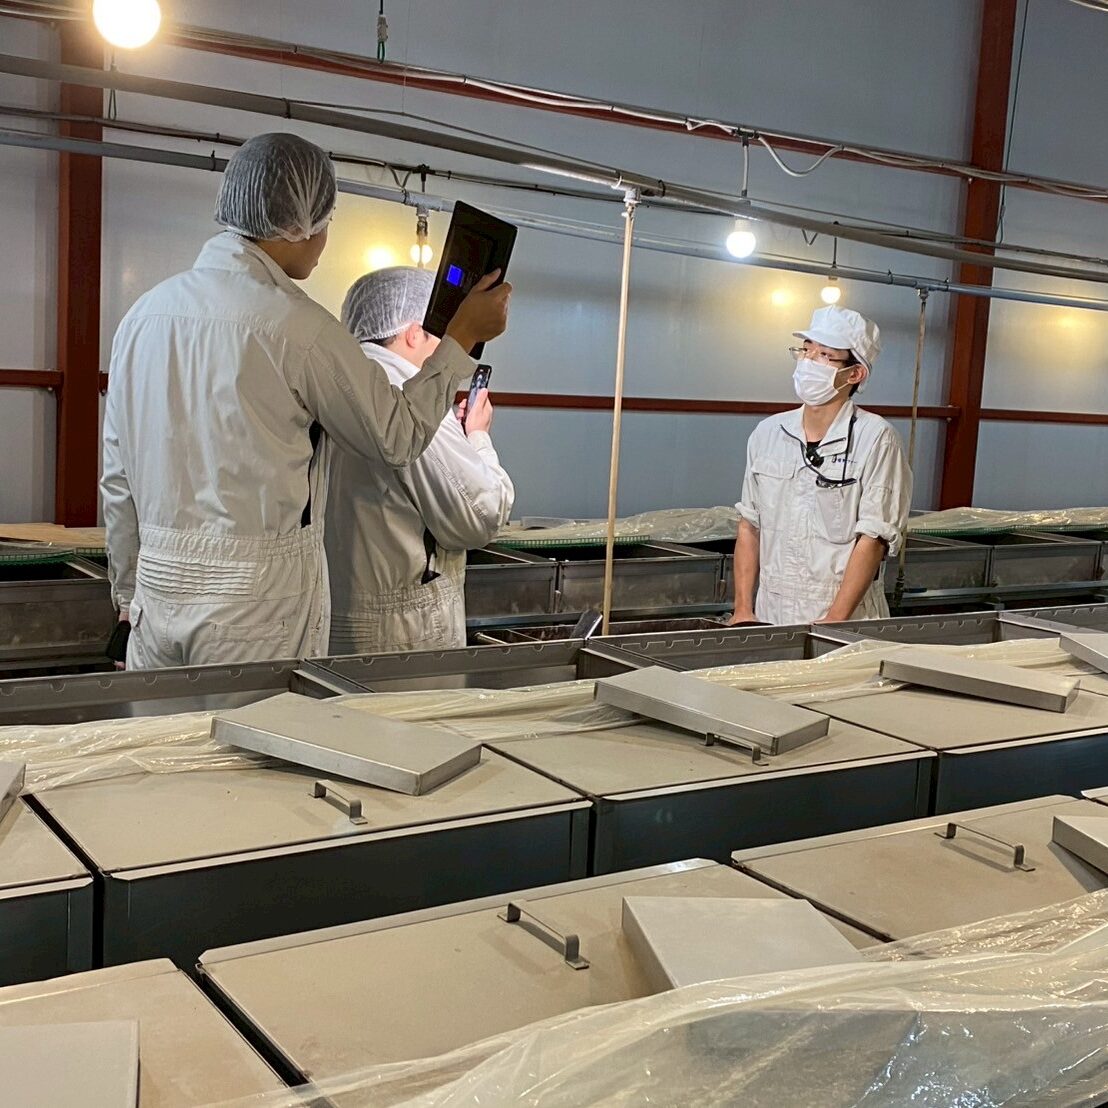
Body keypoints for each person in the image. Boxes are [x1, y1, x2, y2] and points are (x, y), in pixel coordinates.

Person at [100, 133, 510, 669]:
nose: (324, 239)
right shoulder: (298, 326)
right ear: (300, 222)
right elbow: (398, 436)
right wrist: (459, 340)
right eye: (326, 220)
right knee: (257, 727)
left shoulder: (143, 317)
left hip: (157, 600)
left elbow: (117, 477)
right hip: (252, 612)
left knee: (170, 728)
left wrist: (127, 595)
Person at [325, 267, 515, 653]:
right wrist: (478, 437)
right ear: (414, 333)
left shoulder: (337, 380)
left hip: (336, 613)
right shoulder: (409, 397)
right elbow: (480, 517)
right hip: (402, 633)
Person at [729, 305, 912, 626]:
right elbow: (749, 525)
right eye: (806, 350)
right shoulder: (769, 433)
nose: (809, 362)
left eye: (825, 355)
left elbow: (874, 538)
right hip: (772, 609)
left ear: (854, 374)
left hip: (845, 615)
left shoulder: (877, 438)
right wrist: (743, 609)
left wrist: (834, 620)